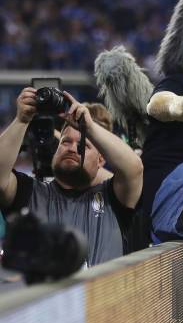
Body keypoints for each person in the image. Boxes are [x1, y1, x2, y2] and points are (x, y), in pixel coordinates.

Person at [0, 87, 143, 266]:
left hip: (103, 293)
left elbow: (134, 169)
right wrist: (21, 120)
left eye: (83, 144)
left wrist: (89, 127)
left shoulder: (112, 198)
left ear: (101, 160)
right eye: (65, 141)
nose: (72, 147)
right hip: (44, 293)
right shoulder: (30, 192)